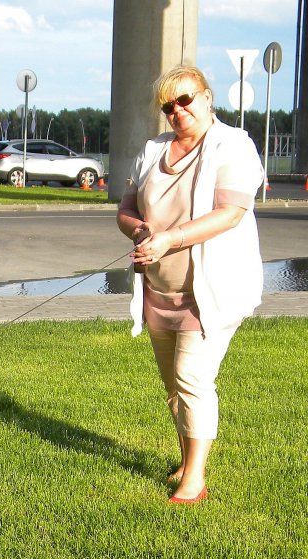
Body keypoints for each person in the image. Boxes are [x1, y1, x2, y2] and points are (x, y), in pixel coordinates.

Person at [116, 65, 264, 504]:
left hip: (210, 291)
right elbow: (125, 208)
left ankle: (194, 479)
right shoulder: (151, 151)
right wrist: (138, 231)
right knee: (174, 387)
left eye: (185, 100)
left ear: (206, 96)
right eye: (168, 107)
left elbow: (231, 212)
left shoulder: (234, 145)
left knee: (191, 376)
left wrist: (170, 239)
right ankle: (186, 459)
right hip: (159, 291)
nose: (178, 112)